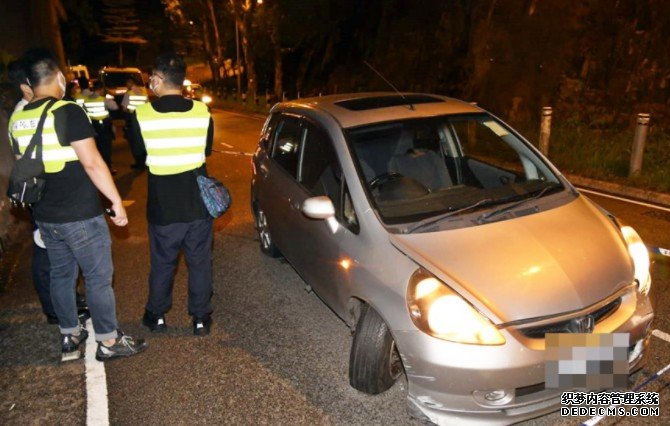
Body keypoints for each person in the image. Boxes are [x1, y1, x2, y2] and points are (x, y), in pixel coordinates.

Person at [8, 49, 147, 361]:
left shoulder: (17, 119)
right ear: (59, 78)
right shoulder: (67, 111)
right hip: (80, 213)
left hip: (46, 214)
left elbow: (25, 167)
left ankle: (69, 334)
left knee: (61, 274)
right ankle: (109, 342)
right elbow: (93, 163)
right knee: (98, 278)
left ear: (31, 83)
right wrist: (115, 202)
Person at [130, 52, 214, 336]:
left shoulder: (141, 115)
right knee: (200, 261)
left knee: (163, 262)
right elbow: (206, 151)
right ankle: (201, 318)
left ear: (159, 79)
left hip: (163, 206)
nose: (150, 82)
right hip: (198, 203)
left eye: (152, 77)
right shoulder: (202, 112)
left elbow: (140, 154)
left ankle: (157, 315)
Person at [7, 59, 90, 325]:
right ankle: (56, 310)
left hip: (46, 198)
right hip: (47, 198)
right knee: (48, 257)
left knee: (57, 258)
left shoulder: (22, 114)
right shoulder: (26, 114)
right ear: (26, 86)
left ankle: (64, 306)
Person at [82, 80, 118, 174]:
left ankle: (99, 167)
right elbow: (115, 107)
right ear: (101, 89)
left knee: (97, 148)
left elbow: (84, 111)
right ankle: (108, 168)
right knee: (106, 148)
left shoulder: (86, 100)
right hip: (104, 127)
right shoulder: (103, 99)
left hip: (93, 126)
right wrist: (108, 95)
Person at [122, 76, 148, 169]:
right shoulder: (144, 92)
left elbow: (124, 108)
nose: (126, 85)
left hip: (132, 119)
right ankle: (145, 161)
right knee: (142, 139)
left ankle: (138, 163)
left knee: (134, 141)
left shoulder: (129, 93)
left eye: (127, 83)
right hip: (143, 118)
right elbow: (147, 105)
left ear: (131, 83)